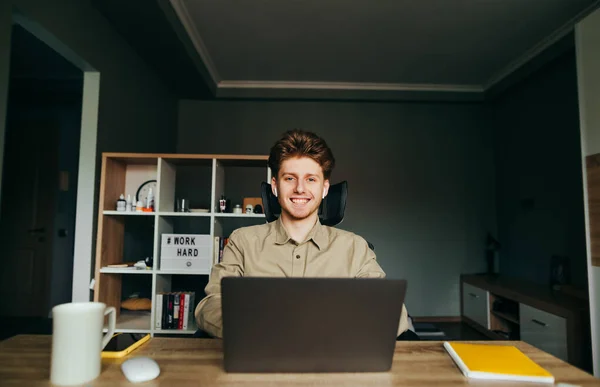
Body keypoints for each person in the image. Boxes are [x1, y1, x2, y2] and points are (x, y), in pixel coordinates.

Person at [194, 129, 410, 338]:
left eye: (310, 179)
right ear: (275, 186)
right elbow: (211, 305)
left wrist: (331, 327)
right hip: (261, 359)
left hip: (335, 363)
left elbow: (393, 314)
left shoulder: (355, 248)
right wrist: (262, 328)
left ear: (325, 188)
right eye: (290, 178)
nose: (299, 188)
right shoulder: (243, 242)